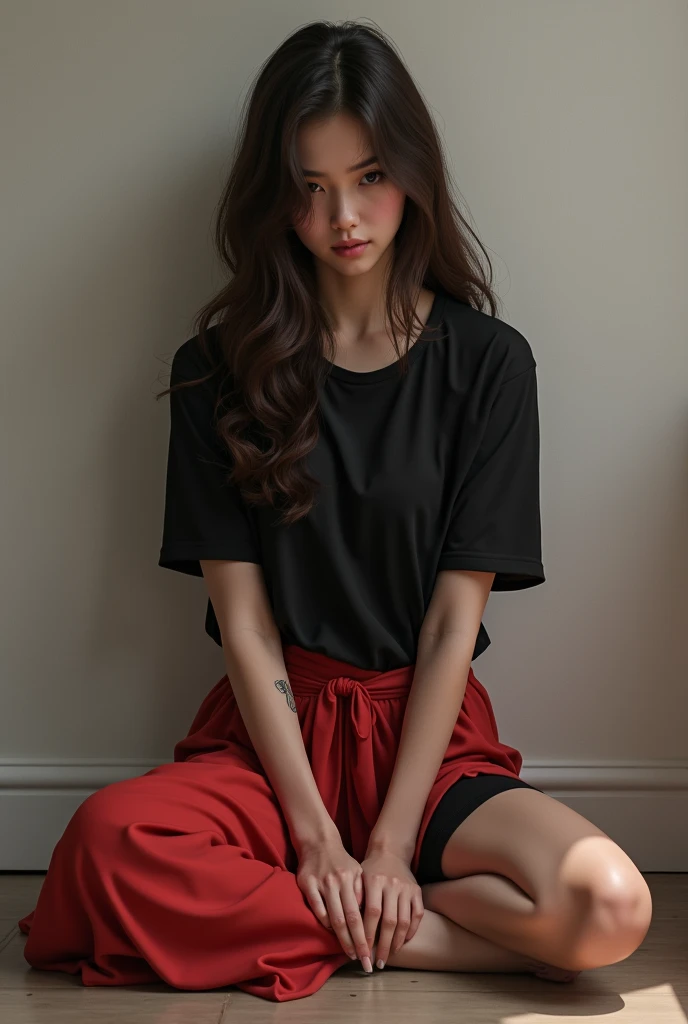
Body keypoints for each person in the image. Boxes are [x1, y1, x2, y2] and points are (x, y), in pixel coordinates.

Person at [17, 18, 652, 1004]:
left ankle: (357, 903)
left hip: (428, 746)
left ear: (411, 173)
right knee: (107, 841)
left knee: (610, 904)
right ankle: (408, 932)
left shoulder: (487, 364)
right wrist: (316, 838)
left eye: (366, 177)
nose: (342, 215)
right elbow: (244, 622)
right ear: (274, 201)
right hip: (270, 748)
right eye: (308, 189)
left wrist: (393, 842)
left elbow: (452, 623)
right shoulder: (221, 367)